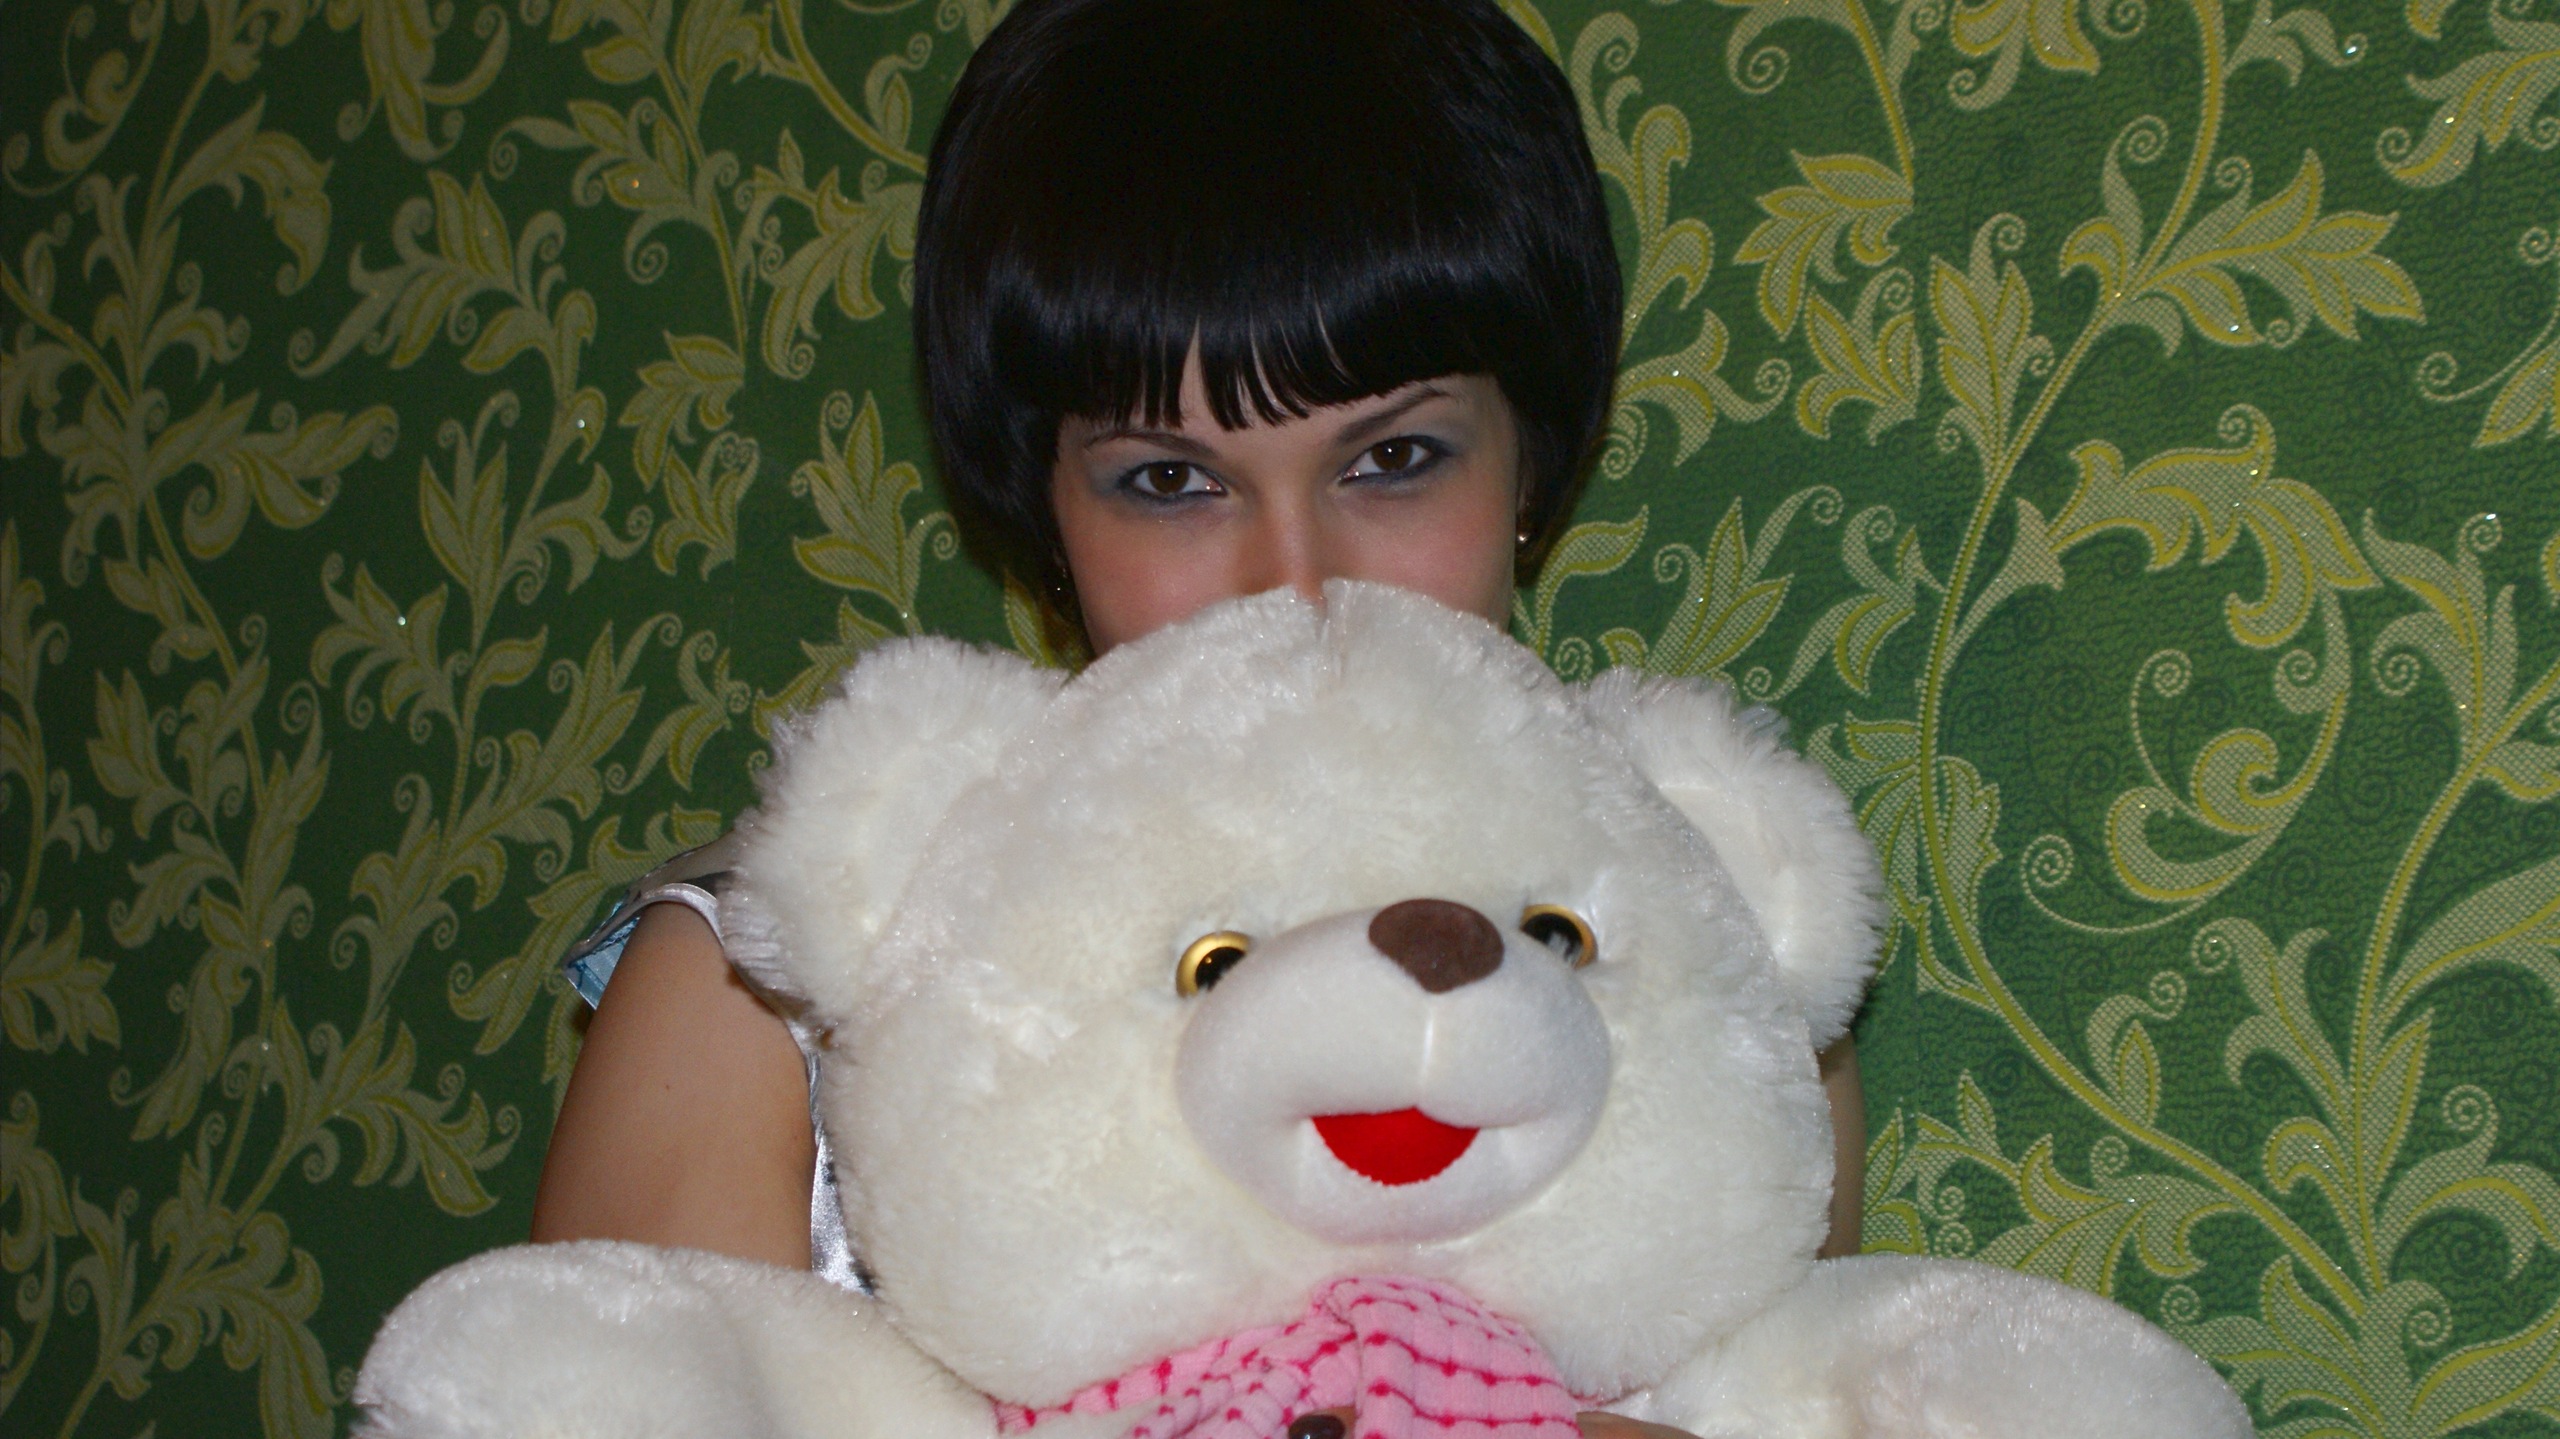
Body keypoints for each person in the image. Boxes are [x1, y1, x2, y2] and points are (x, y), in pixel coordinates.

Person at [530, 0, 1865, 1378]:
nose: (1294, 585)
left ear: (1533, 464)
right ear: (1043, 519)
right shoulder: (770, 990)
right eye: (1170, 481)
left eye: (1394, 460)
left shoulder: (1691, 953)